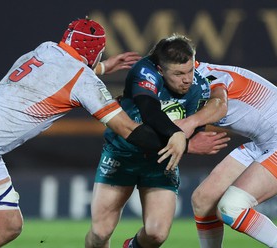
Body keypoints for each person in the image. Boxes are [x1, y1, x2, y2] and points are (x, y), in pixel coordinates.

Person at [0, 18, 186, 248]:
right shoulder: (83, 80)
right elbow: (129, 130)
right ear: (95, 51)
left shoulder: (45, 49)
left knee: (7, 226)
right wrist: (177, 139)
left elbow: (58, 72)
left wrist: (99, 68)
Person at [85, 34, 230, 248]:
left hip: (161, 161)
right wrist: (179, 137)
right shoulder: (144, 70)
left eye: (190, 70)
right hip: (121, 154)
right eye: (179, 73)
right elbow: (148, 108)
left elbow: (191, 131)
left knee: (156, 235)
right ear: (161, 70)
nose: (187, 79)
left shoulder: (198, 88)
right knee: (100, 232)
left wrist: (185, 138)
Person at [176, 61, 277, 247]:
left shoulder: (209, 78)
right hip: (262, 144)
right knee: (204, 199)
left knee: (231, 208)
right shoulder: (184, 80)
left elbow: (220, 104)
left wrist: (190, 123)